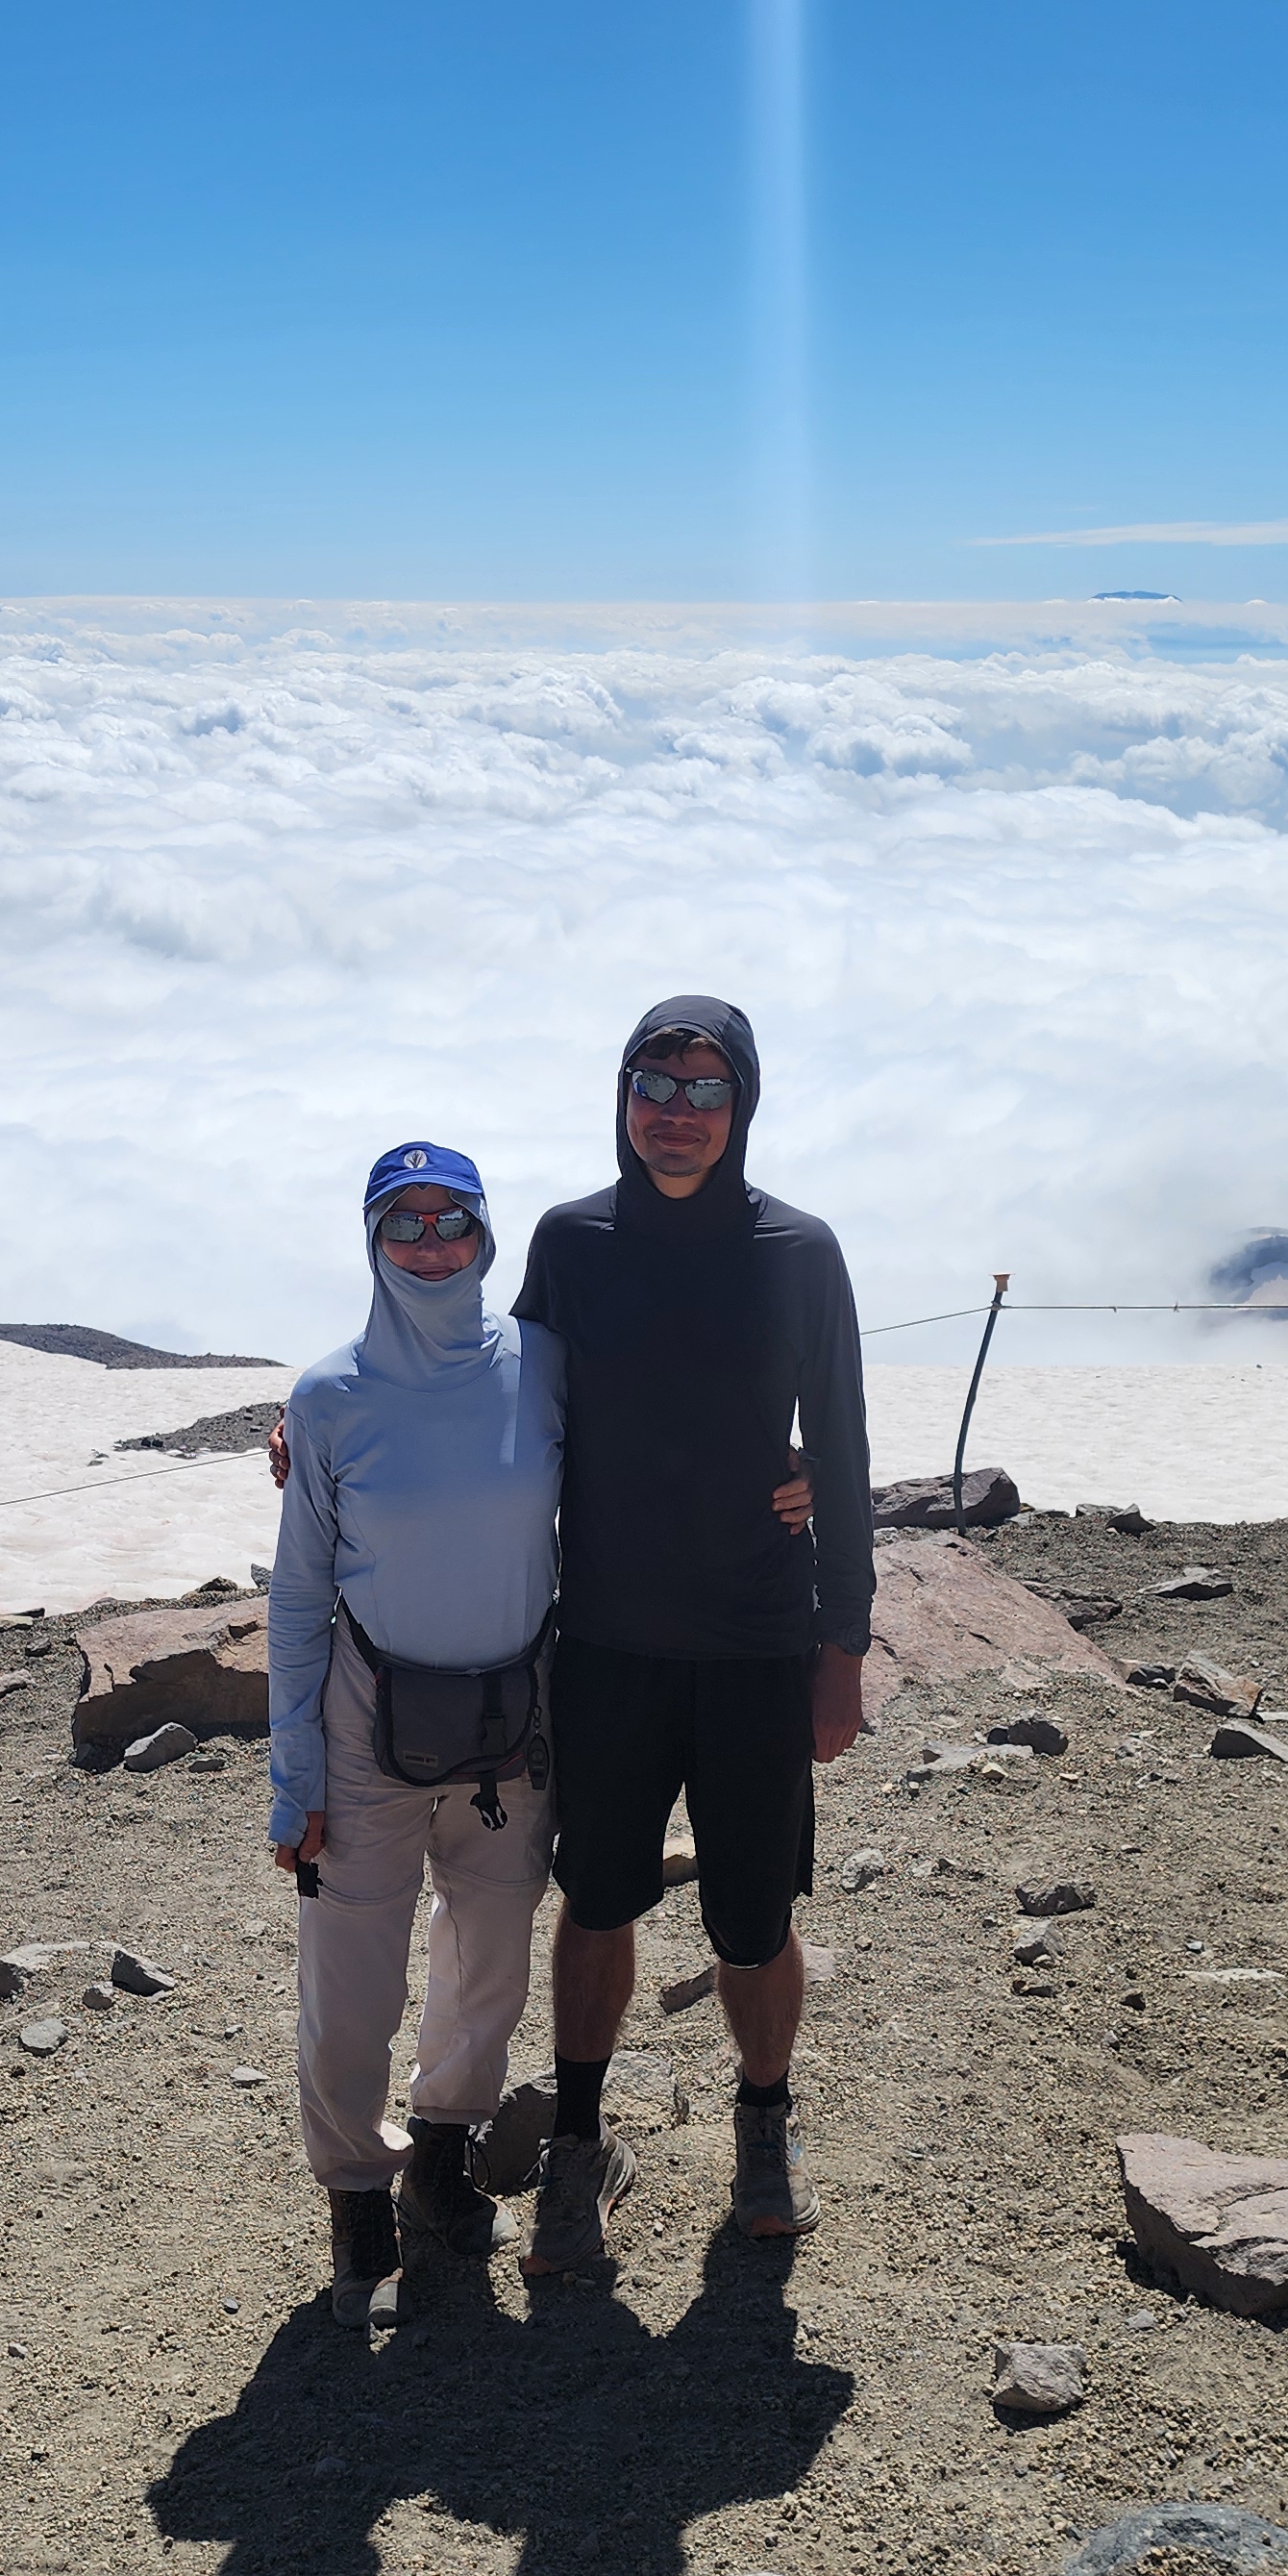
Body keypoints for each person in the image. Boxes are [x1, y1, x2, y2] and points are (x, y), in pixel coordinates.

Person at [512, 994, 872, 2275]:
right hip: (608, 1641)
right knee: (597, 1898)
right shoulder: (572, 1242)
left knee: (754, 1918)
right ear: (622, 1100)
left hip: (757, 1644)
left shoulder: (798, 1250)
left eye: (704, 1093)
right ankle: (577, 2148)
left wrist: (846, 1643)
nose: (675, 1115)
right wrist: (326, 1425)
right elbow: (508, 1403)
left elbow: (840, 1433)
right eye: (654, 1089)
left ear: (743, 1106)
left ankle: (763, 2131)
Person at [267, 1143, 564, 2331]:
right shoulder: (329, 1397)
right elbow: (297, 1596)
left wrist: (786, 1476)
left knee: (489, 1962)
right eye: (405, 1223)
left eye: (453, 1219)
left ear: (487, 1234)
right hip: (364, 1723)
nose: (431, 1242)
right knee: (349, 1986)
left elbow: (633, 1482)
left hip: (514, 1719)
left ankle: (444, 2149)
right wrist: (295, 1776)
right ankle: (355, 2191)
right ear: (373, 1243)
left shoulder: (546, 1366)